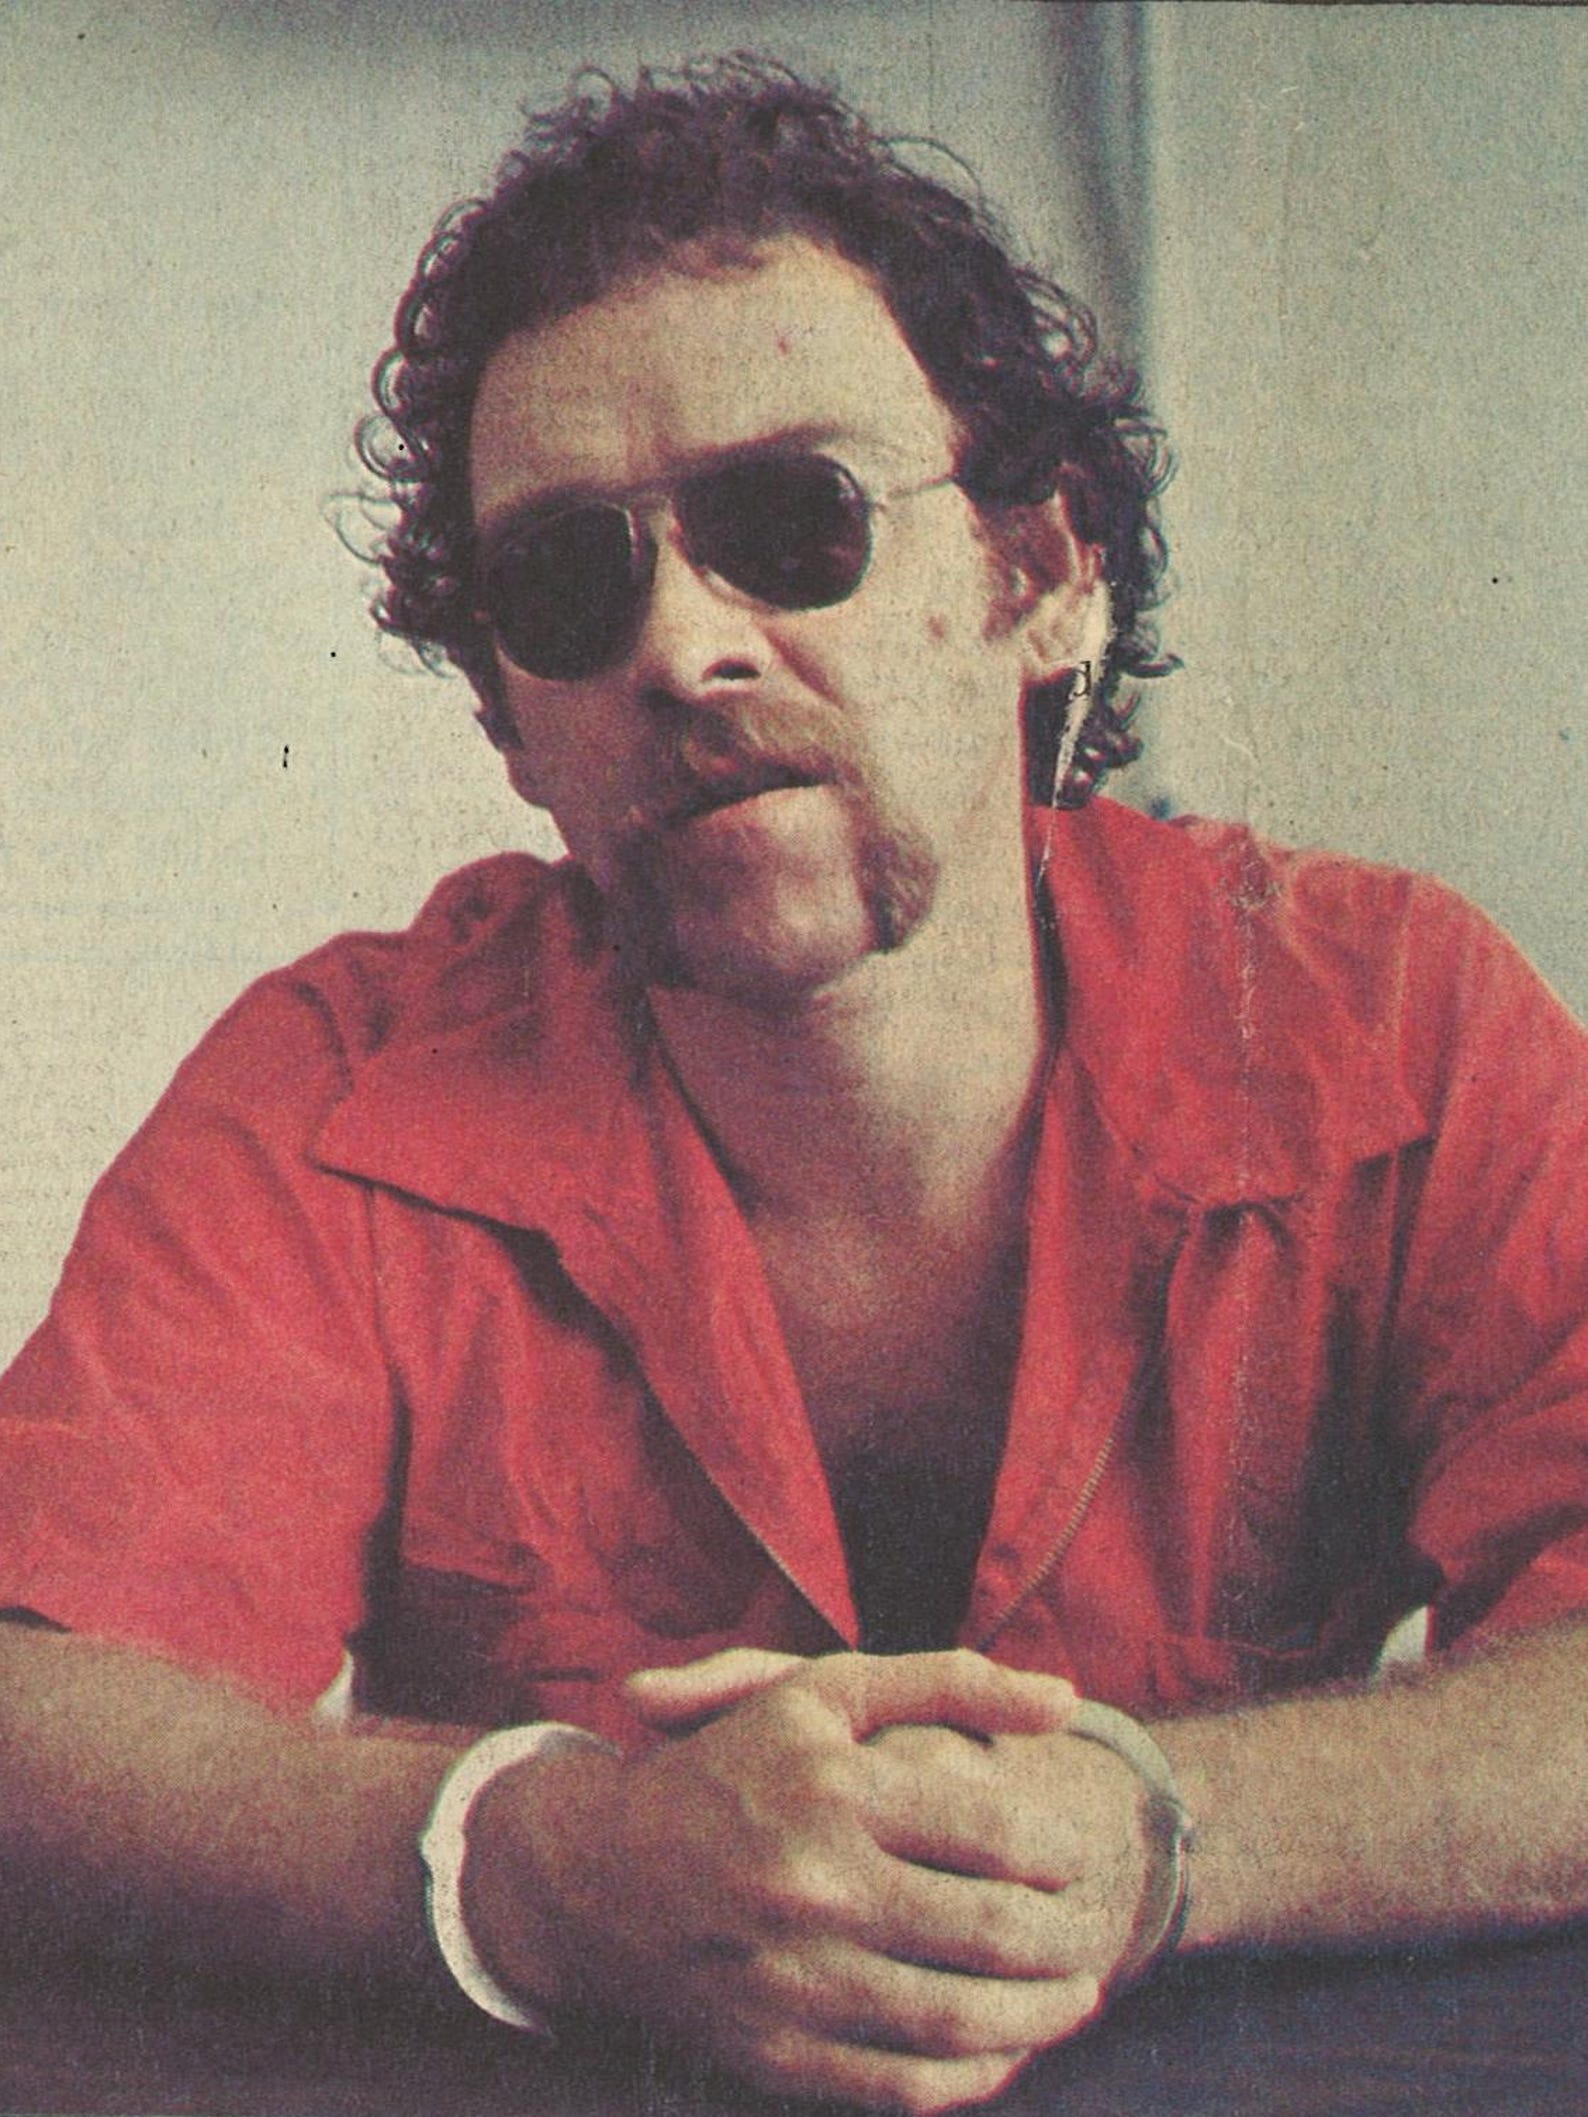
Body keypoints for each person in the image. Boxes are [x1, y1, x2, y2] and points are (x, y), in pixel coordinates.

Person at [1, 54, 1585, 2116]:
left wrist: (1158, 1831)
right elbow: (35, 1709)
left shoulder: (1378, 1016)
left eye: (790, 522)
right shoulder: (339, 1086)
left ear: (1037, 579)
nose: (683, 646)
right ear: (514, 730)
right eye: (570, 584)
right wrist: (542, 1859)